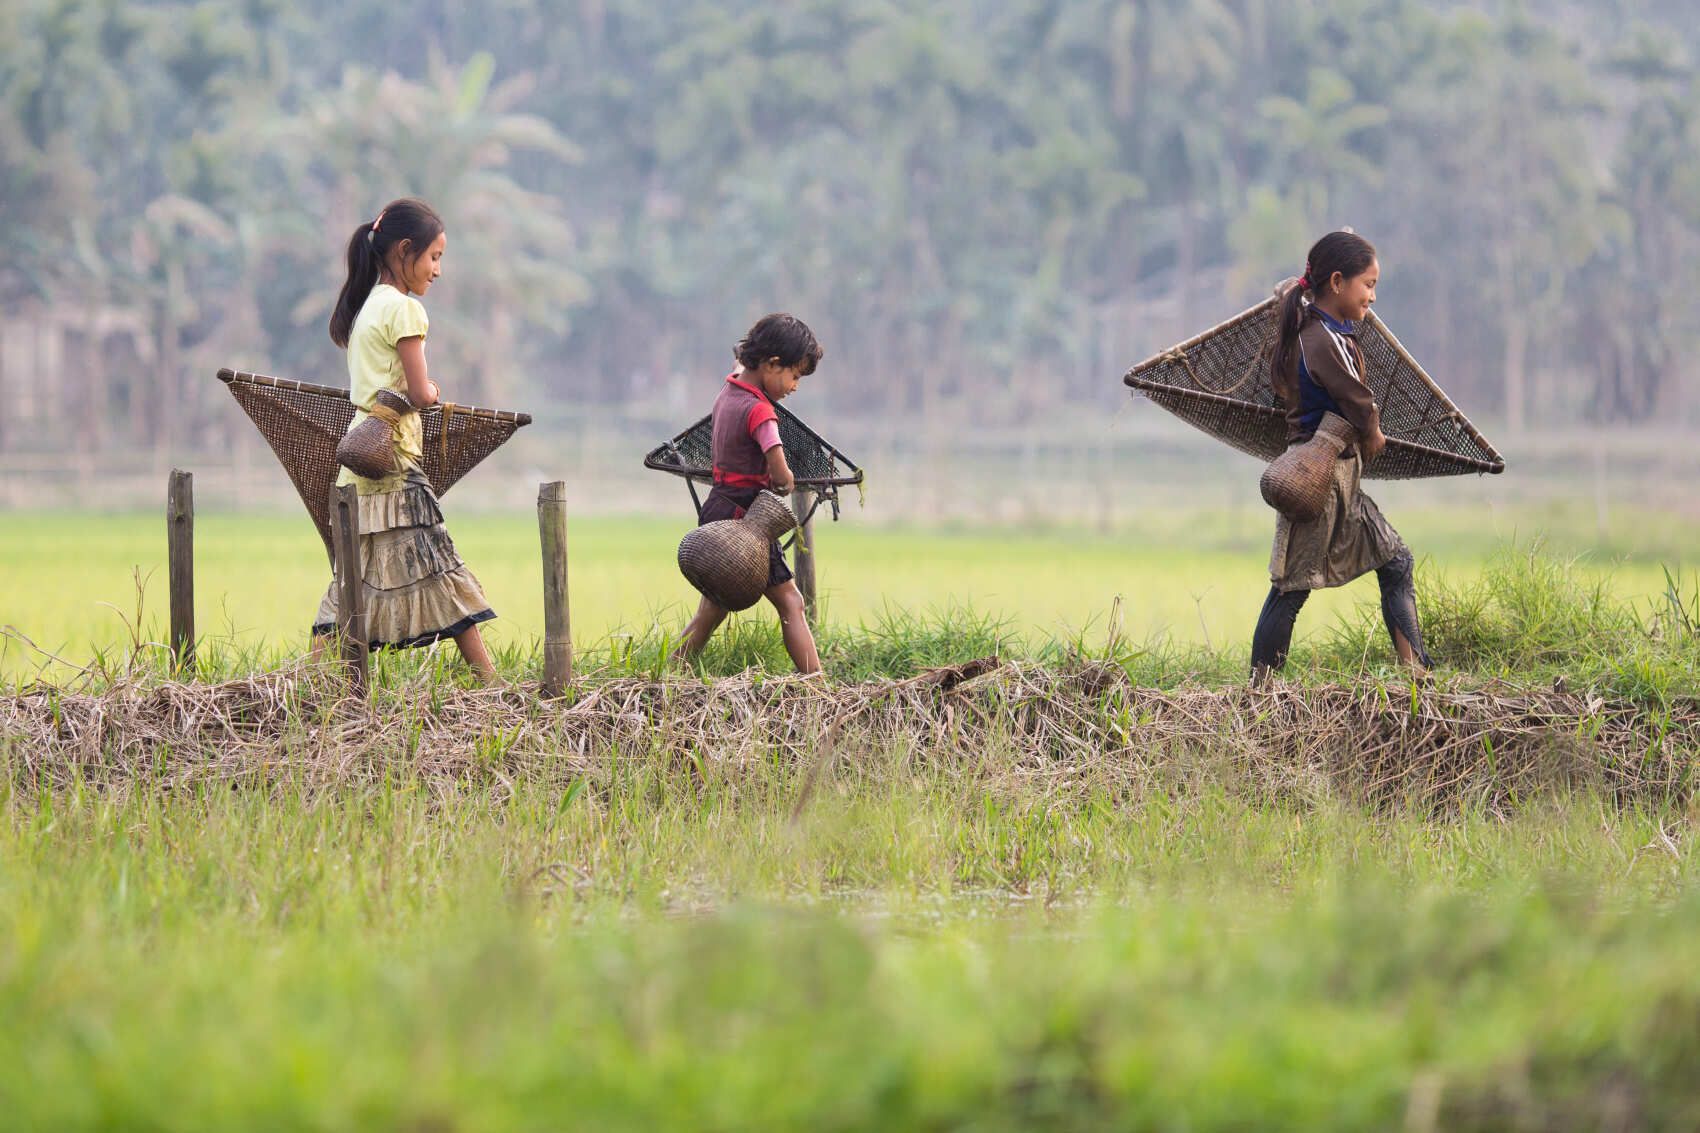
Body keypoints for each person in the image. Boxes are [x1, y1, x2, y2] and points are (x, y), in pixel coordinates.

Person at [309, 197, 499, 683]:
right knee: (436, 560)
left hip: (358, 456)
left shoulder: (367, 306)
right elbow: (418, 392)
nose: (437, 270)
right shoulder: (405, 311)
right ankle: (490, 681)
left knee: (354, 574)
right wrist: (434, 392)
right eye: (434, 257)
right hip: (393, 456)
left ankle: (311, 680)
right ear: (404, 250)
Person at [1251, 230, 1432, 684]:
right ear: (1337, 282)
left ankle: (1417, 675)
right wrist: (1373, 434)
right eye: (1367, 284)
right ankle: (1259, 693)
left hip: (1340, 477)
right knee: (1289, 590)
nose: (1372, 295)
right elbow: (1358, 402)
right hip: (1318, 478)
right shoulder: (1322, 340)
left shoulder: (1314, 329)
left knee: (1396, 561)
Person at [673, 313, 824, 674]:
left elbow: (741, 364)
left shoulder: (731, 389)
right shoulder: (760, 411)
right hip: (746, 522)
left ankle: (670, 671)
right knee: (791, 602)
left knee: (712, 607)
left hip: (716, 510)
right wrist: (785, 478)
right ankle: (818, 686)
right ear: (772, 364)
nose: (794, 385)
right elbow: (779, 467)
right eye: (794, 375)